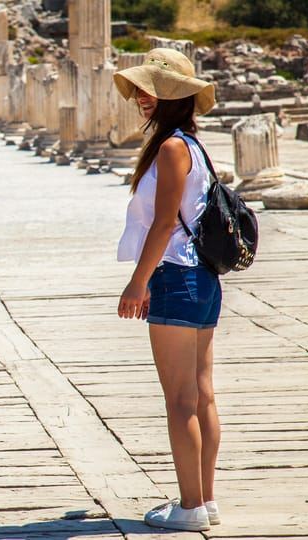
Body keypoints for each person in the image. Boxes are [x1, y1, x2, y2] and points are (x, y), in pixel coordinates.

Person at [114, 48, 222, 532]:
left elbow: (162, 224)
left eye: (149, 89)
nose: (140, 96)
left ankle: (190, 506)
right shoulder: (194, 146)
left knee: (181, 399)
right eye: (139, 88)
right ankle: (205, 499)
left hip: (174, 275)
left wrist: (138, 281)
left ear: (172, 95)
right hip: (202, 278)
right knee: (201, 395)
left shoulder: (172, 148)